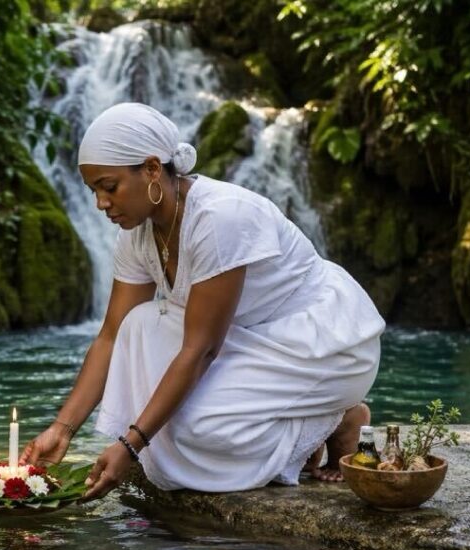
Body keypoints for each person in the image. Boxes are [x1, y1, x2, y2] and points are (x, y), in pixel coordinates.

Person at [19, 102, 385, 500]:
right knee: (139, 325)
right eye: (94, 191)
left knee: (195, 431)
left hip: (323, 344)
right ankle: (304, 419)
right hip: (249, 337)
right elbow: (110, 336)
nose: (101, 203)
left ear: (152, 169)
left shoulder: (219, 218)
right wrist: (62, 430)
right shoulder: (137, 234)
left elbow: (201, 349)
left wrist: (130, 445)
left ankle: (335, 418)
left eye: (109, 187)